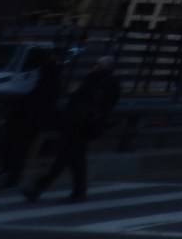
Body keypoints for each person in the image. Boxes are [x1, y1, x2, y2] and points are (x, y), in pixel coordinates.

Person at [21, 57, 119, 203]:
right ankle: (40, 188)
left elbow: (80, 98)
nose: (93, 66)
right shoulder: (113, 83)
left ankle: (74, 191)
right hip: (90, 124)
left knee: (74, 158)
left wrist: (74, 92)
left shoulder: (93, 79)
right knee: (66, 157)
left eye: (96, 64)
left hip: (78, 123)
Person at [0, 52, 61, 188]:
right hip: (37, 122)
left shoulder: (42, 87)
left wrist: (11, 117)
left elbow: (28, 104)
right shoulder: (53, 87)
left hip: (27, 122)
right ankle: (14, 177)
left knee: (16, 148)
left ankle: (12, 176)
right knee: (22, 150)